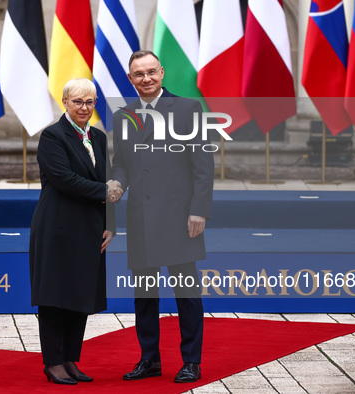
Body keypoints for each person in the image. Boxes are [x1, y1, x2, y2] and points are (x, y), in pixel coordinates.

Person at [110, 50, 214, 383]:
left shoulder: (187, 109)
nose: (146, 78)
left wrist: (199, 210)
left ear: (162, 72)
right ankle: (149, 360)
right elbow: (121, 163)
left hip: (180, 217)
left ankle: (192, 361)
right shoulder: (122, 116)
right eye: (138, 74)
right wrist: (116, 183)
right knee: (144, 295)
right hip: (141, 217)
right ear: (130, 79)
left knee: (186, 292)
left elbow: (203, 166)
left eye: (151, 72)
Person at [29, 78, 117, 385]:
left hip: (90, 227)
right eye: (77, 102)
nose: (84, 108)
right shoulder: (52, 136)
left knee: (80, 295)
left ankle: (70, 359)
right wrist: (105, 190)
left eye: (90, 102)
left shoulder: (100, 138)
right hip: (58, 227)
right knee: (55, 296)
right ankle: (53, 363)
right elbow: (64, 179)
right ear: (65, 102)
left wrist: (110, 224)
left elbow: (107, 179)